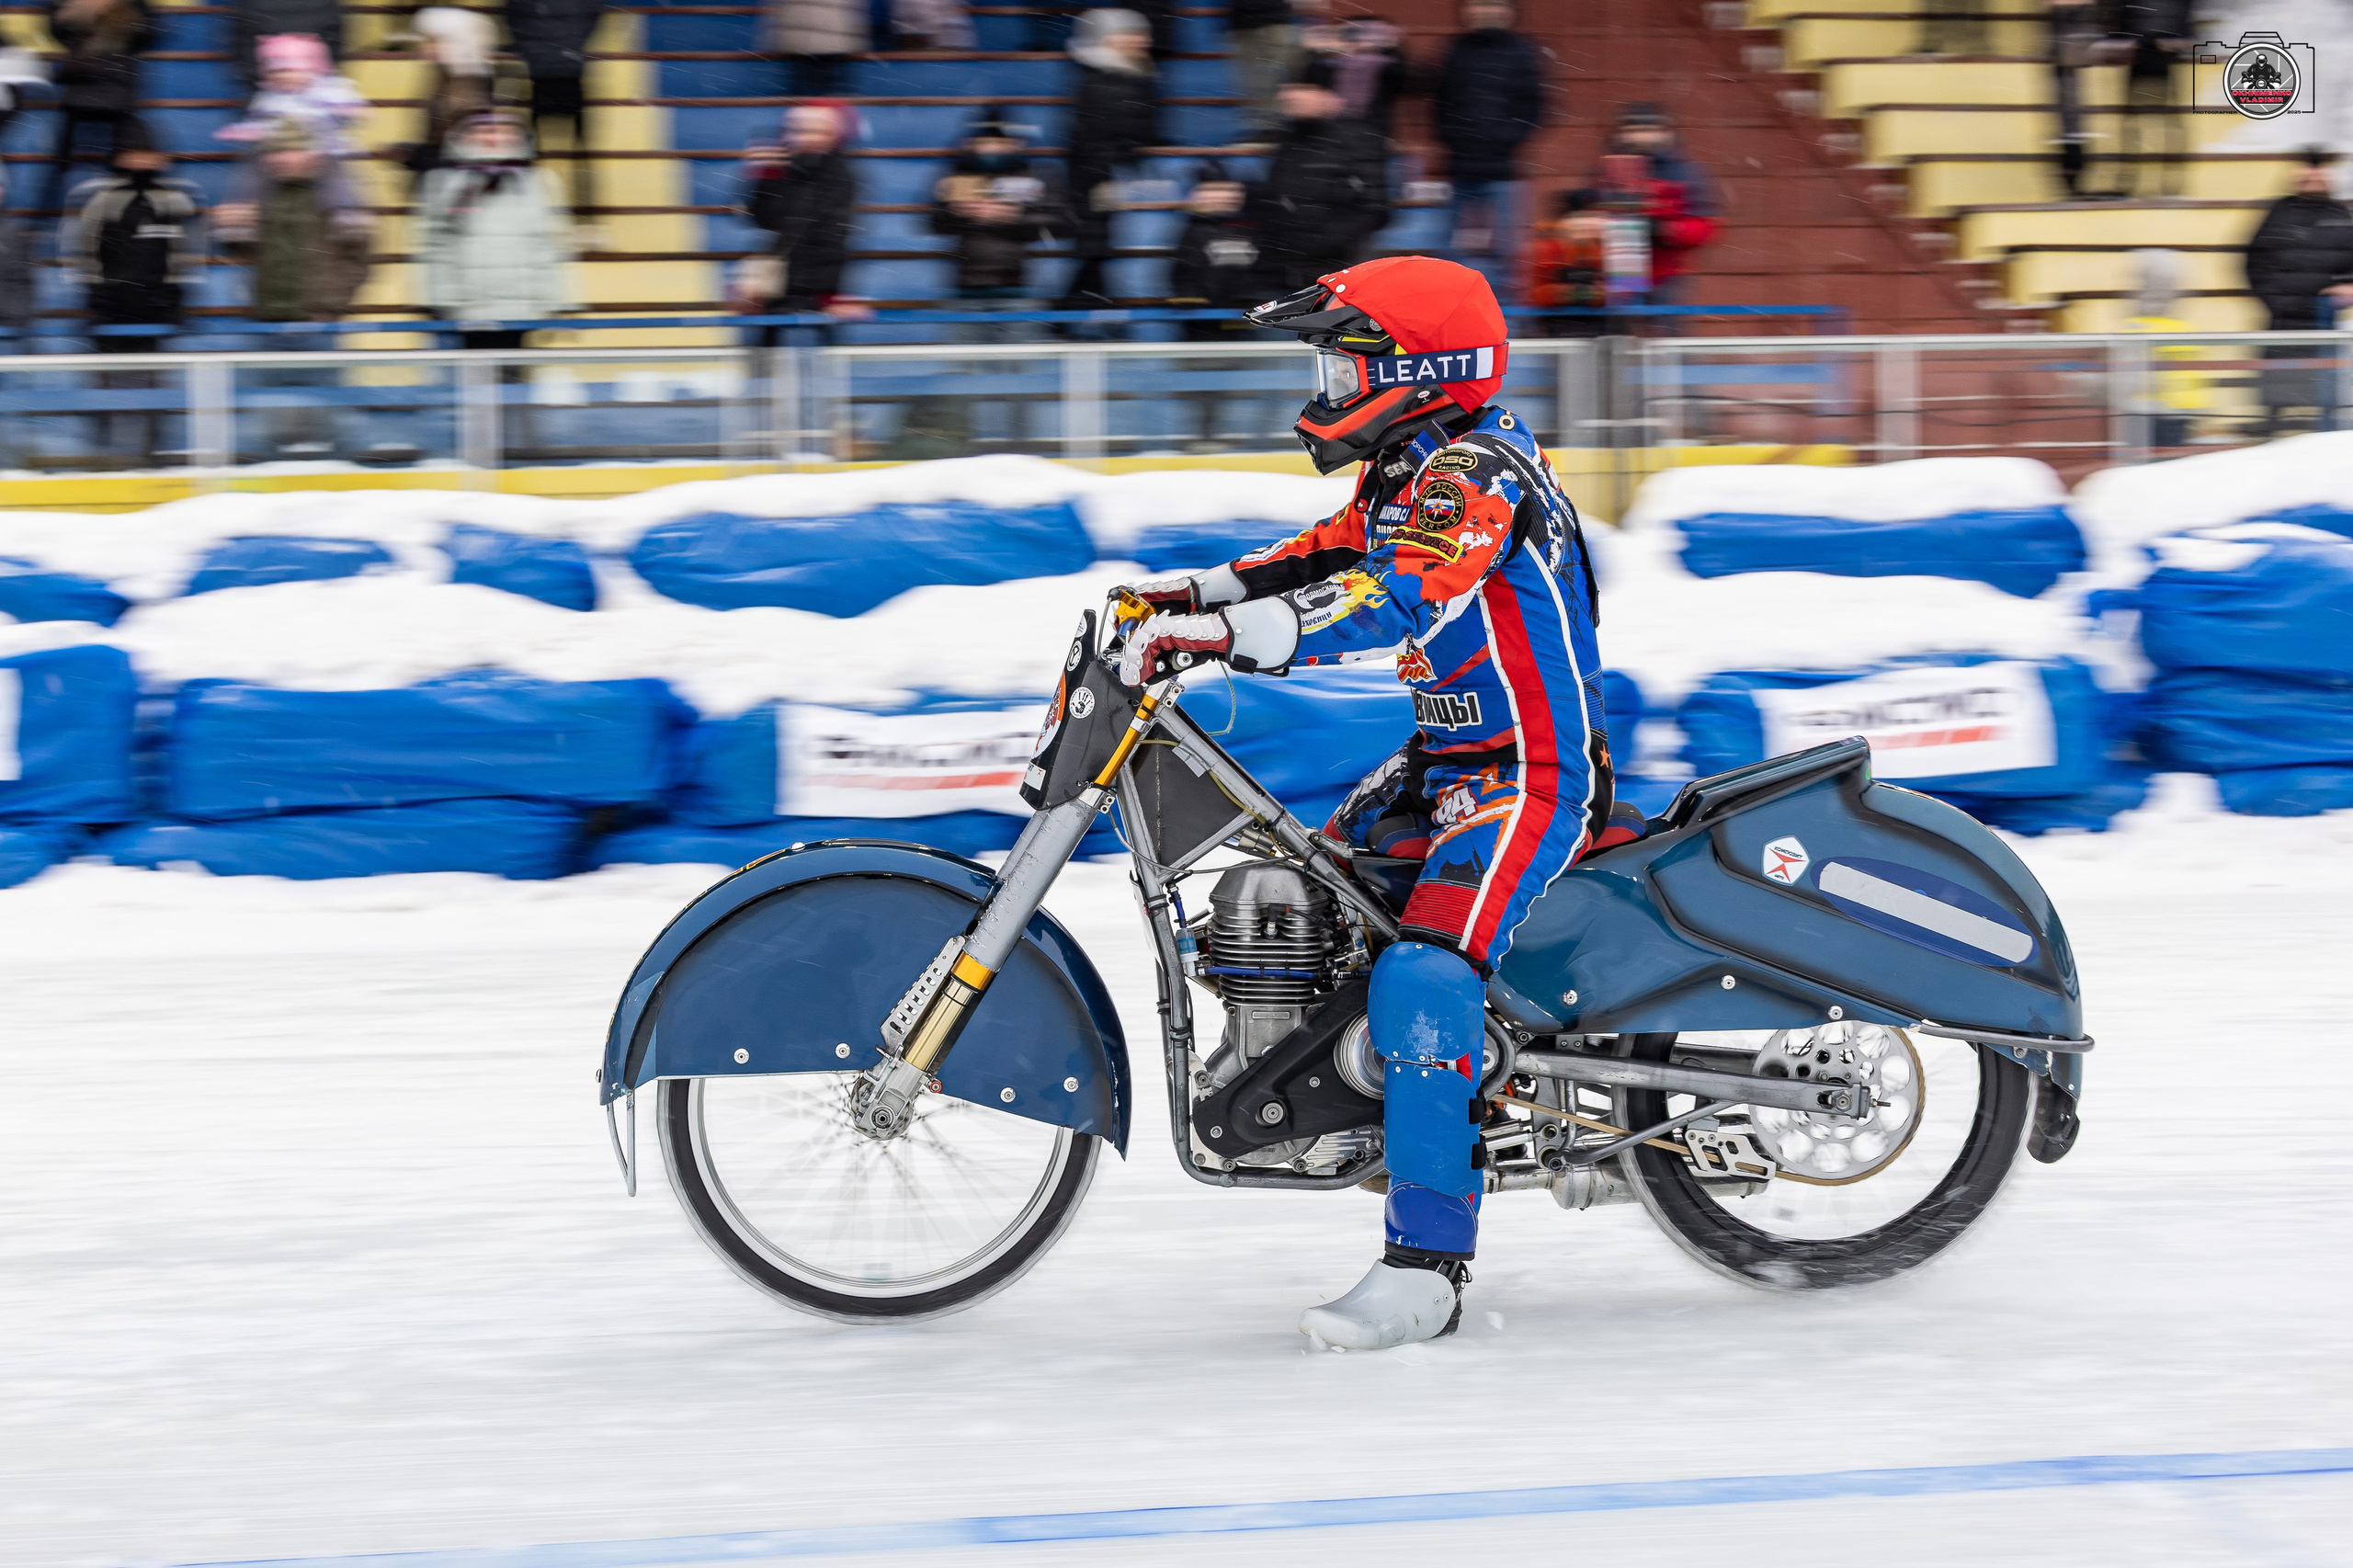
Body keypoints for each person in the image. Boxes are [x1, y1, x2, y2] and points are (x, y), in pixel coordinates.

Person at [1116, 256, 1605, 1350]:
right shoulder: (1408, 470)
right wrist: (1187, 596)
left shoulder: (1478, 472)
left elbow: (1393, 589)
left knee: (1421, 967)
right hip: (1444, 761)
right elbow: (1321, 554)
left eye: (1347, 365)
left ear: (1424, 370)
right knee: (1307, 892)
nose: (1329, 388)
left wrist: (1230, 638)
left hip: (1527, 775)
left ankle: (1426, 1263)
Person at [66, 131, 202, 453]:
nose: (142, 162)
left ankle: (152, 453)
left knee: (156, 394)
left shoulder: (175, 200)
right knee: (104, 396)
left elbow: (185, 254)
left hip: (155, 316)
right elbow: (84, 251)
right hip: (110, 316)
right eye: (134, 154)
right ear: (119, 159)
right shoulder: (103, 200)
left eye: (148, 154)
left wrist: (174, 300)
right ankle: (102, 455)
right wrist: (97, 299)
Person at [419, 109, 579, 343]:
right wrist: (437, 303)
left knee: (514, 376)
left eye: (505, 131)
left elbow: (551, 248)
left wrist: (558, 304)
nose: (494, 138)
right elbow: (435, 248)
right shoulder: (443, 182)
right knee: (470, 377)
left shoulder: (539, 182)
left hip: (521, 312)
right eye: (484, 131)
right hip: (464, 312)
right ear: (463, 135)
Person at [1428, 0, 1548, 303]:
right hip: (1459, 169)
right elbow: (1440, 102)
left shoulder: (1523, 51)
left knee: (1508, 258)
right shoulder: (1456, 50)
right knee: (1448, 256)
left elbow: (1536, 106)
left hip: (1504, 172)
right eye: (1479, 4)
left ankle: (1505, 326)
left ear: (1509, 11)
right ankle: (1450, 319)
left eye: (1494, 4)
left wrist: (1503, 139)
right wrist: (1454, 139)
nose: (1486, 10)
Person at [1246, 65, 1388, 296]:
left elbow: (1374, 210)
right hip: (1281, 278)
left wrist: (1314, 247)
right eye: (1287, 88)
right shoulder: (1288, 143)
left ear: (1327, 95)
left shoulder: (1358, 140)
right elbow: (1272, 208)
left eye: (1302, 88)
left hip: (1337, 279)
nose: (1288, 95)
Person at [1058, 7, 1159, 313]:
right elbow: (1093, 137)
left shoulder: (1130, 75)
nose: (1142, 40)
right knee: (1094, 248)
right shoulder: (1103, 80)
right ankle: (1084, 310)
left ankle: (1085, 310)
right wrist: (1105, 177)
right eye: (1133, 34)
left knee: (1095, 249)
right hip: (1094, 177)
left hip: (1102, 175)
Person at [2244, 154, 2353, 435]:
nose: (2312, 179)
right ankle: (2272, 429)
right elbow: (2254, 261)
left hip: (2322, 316)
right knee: (2277, 381)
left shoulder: (2341, 216)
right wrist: (2275, 298)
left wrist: (2346, 289)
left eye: (2319, 174)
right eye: (2307, 174)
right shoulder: (2280, 212)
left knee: (2325, 383)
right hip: (2283, 315)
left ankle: (2326, 431)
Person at [927, 110, 1065, 332]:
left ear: (1017, 143)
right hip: (965, 290)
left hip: (1021, 288)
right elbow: (933, 222)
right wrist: (959, 212)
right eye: (985, 142)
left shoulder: (1036, 176)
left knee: (1018, 364)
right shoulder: (955, 175)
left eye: (999, 142)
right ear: (969, 143)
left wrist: (1011, 215)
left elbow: (1060, 224)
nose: (991, 149)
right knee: (965, 365)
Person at [735, 100, 861, 339]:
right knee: (767, 353)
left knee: (816, 355)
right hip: (788, 280)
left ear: (830, 134)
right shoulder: (785, 167)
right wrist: (766, 176)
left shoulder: (840, 175)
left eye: (809, 130)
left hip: (816, 283)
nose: (800, 137)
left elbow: (825, 235)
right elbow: (764, 219)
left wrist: (815, 291)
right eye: (795, 130)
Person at [1594, 102, 1717, 323]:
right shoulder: (1606, 171)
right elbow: (1588, 213)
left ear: (1666, 133)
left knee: (1667, 337)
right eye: (1634, 130)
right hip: (1617, 272)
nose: (1642, 137)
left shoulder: (1685, 172)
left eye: (1649, 129)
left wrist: (1665, 229)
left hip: (1667, 273)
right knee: (1619, 338)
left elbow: (1705, 225)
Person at [1166, 162, 1260, 446]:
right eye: (1211, 190)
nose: (1220, 196)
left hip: (1239, 332)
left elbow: (1256, 278)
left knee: (1232, 391)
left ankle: (1228, 439)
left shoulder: (1251, 232)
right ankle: (1202, 438)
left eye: (1225, 189)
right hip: (1203, 334)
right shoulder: (1188, 236)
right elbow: (1183, 285)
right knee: (1204, 391)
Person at [40, 0, 155, 215]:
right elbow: (56, 29)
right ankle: (45, 219)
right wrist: (77, 14)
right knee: (58, 170)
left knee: (138, 164)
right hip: (81, 91)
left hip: (117, 92)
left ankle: (126, 224)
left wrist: (115, 10)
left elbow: (148, 33)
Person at [503, 0, 610, 225]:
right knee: (562, 149)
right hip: (558, 69)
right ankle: (581, 220)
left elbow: (512, 16)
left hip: (546, 70)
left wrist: (534, 49)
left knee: (537, 148)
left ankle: (575, 219)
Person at [2119, 247, 2206, 450]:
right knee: (2169, 462)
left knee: (2146, 463)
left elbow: (2127, 380)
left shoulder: (2135, 327)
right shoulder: (2185, 329)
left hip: (2144, 411)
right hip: (2182, 410)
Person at [399, 7, 497, 187]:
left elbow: (449, 140)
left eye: (431, 42)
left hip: (457, 179)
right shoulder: (447, 77)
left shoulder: (466, 86)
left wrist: (416, 156)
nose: (423, 48)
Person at [1522, 187, 1607, 335]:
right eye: (1581, 218)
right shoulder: (1547, 249)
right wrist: (1583, 293)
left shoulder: (1603, 250)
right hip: (1554, 331)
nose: (1588, 225)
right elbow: (1534, 296)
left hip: (1598, 331)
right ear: (1566, 220)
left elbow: (1620, 294)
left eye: (1593, 218)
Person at [763, 0, 866, 99]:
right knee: (832, 92)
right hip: (832, 37)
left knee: (800, 91)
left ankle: (805, 110)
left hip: (798, 36)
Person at [1226, 0, 1298, 141]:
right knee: (1253, 82)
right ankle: (1267, 128)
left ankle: (1273, 128)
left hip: (1270, 21)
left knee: (1271, 79)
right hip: (1245, 24)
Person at [227, 0, 341, 87]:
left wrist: (262, 78)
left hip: (271, 78)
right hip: (314, 78)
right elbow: (333, 39)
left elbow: (244, 40)